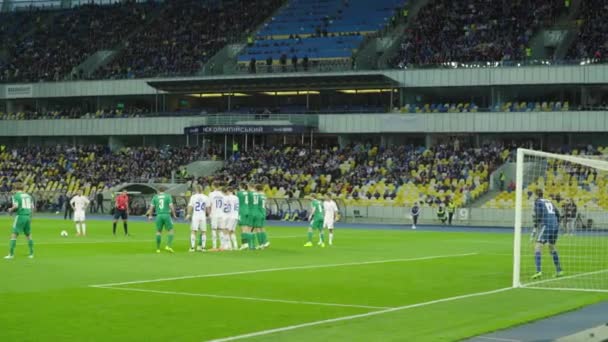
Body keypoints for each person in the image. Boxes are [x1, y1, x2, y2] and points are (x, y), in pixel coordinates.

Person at [531, 189, 563, 279]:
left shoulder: (537, 202)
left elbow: (538, 215)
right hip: (555, 225)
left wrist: (535, 227)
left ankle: (538, 271)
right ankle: (559, 270)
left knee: (538, 246)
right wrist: (555, 223)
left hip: (547, 225)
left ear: (536, 195)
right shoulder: (549, 201)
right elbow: (558, 213)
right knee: (551, 247)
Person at [5, 184, 34, 259]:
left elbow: (16, 206)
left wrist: (10, 209)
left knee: (14, 234)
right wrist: (30, 217)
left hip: (20, 216)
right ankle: (31, 254)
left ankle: (11, 254)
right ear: (23, 188)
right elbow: (32, 207)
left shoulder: (16, 196)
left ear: (15, 189)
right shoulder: (29, 196)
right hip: (28, 216)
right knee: (28, 235)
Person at [147, 186, 176, 253]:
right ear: (164, 190)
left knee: (158, 231)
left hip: (159, 215)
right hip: (166, 215)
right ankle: (168, 246)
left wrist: (150, 216)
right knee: (171, 230)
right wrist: (174, 214)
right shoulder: (168, 196)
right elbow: (171, 206)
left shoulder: (155, 197)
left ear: (158, 191)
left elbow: (151, 207)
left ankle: (158, 249)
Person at [185, 185, 210, 252]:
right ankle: (203, 247)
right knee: (203, 231)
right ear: (202, 190)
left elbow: (190, 206)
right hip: (202, 216)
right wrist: (209, 215)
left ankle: (192, 248)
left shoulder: (193, 197)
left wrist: (188, 214)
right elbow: (208, 208)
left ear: (196, 190)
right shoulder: (206, 197)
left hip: (195, 215)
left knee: (193, 231)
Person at [252, 184, 269, 249]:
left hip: (258, 212)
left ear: (256, 189)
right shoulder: (264, 195)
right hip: (263, 212)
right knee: (262, 228)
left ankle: (261, 244)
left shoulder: (257, 196)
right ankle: (265, 242)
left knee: (257, 228)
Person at [209, 182, 225, 250]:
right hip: (221, 214)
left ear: (213, 186)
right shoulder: (222, 194)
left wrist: (209, 213)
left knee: (214, 230)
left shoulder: (211, 194)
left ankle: (214, 246)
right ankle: (222, 246)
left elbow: (210, 204)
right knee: (221, 230)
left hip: (214, 214)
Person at [237, 182, 252, 250]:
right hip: (248, 210)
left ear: (240, 186)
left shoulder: (239, 193)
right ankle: (248, 243)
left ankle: (244, 244)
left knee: (243, 228)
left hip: (242, 211)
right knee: (247, 228)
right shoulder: (248, 193)